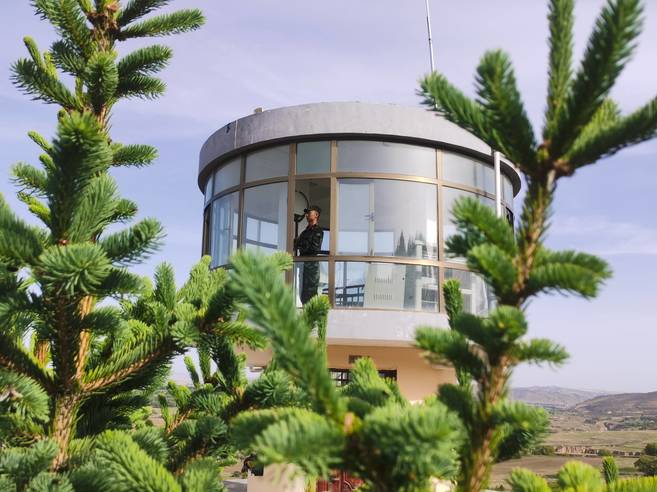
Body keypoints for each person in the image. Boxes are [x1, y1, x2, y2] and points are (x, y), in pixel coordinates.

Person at [295, 205, 324, 304]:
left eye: (309, 213)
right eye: (306, 213)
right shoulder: (304, 232)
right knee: (302, 292)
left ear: (316, 215)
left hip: (312, 266)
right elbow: (297, 246)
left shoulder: (318, 230)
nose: (307, 215)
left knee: (311, 293)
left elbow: (314, 248)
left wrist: (302, 245)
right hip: (303, 265)